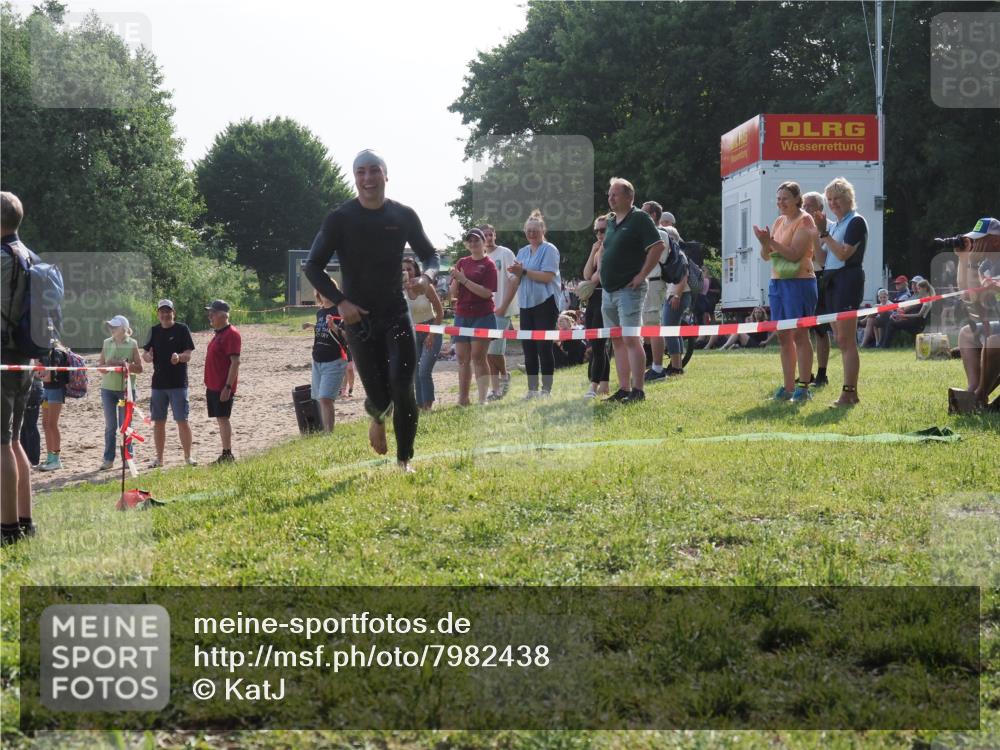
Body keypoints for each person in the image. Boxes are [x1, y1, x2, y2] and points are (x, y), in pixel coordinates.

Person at [304, 149, 439, 472]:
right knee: (379, 394)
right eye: (361, 172)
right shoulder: (340, 218)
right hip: (358, 318)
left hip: (395, 312)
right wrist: (340, 301)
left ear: (385, 176)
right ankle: (377, 415)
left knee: (402, 383)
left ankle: (404, 459)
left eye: (374, 171)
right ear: (355, 178)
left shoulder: (403, 215)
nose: (368, 179)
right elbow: (313, 266)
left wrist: (425, 277)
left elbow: (431, 255)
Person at [598, 178, 665, 403]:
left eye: (615, 194)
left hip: (629, 290)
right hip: (608, 291)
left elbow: (657, 247)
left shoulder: (639, 219)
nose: (610, 198)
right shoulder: (610, 221)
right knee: (617, 341)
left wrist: (641, 275)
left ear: (629, 196)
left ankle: (638, 390)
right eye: (609, 195)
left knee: (631, 339)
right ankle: (624, 389)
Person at [753, 180, 818, 402]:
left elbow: (793, 255)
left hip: (800, 283)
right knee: (783, 336)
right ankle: (788, 387)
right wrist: (765, 243)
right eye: (779, 198)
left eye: (786, 199)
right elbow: (766, 255)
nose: (781, 203)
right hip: (778, 283)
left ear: (797, 200)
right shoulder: (780, 220)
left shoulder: (805, 220)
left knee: (800, 334)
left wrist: (771, 241)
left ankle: (803, 387)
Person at [810, 177, 868, 407]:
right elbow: (823, 259)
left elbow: (844, 254)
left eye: (837, 199)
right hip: (831, 281)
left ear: (848, 199)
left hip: (848, 280)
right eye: (830, 200)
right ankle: (850, 393)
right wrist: (818, 233)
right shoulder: (833, 225)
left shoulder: (856, 222)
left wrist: (825, 235)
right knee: (840, 339)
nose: (833, 203)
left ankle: (849, 392)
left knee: (846, 340)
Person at [1, 191, 37, 544]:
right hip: (23, 357)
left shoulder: (3, 257)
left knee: (1, 444)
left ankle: (7, 529)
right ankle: (25, 522)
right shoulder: (29, 255)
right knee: (13, 440)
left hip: (2, 357)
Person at [496, 210, 561, 399]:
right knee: (529, 348)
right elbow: (515, 280)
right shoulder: (522, 252)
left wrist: (524, 271)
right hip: (525, 304)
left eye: (535, 230)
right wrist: (503, 305)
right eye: (528, 230)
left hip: (545, 303)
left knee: (544, 347)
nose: (531, 233)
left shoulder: (550, 249)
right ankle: (532, 390)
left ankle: (546, 390)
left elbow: (548, 277)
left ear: (543, 230)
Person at [951, 217, 1000, 412]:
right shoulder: (986, 266)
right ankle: (973, 389)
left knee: (994, 342)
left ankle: (979, 395)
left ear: (995, 240)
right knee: (967, 334)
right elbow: (970, 297)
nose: (975, 244)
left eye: (979, 240)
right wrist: (965, 261)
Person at [142, 299, 196, 467]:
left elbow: (188, 354)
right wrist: (147, 357)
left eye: (168, 311)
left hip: (179, 384)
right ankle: (159, 459)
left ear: (174, 313)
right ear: (158, 314)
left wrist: (179, 357)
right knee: (159, 422)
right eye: (162, 311)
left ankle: (188, 457)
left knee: (182, 420)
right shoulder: (153, 330)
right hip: (158, 385)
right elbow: (145, 354)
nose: (165, 314)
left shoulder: (182, 329)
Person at [450, 228, 497, 406]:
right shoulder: (462, 262)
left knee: (478, 357)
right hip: (462, 314)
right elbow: (453, 293)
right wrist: (456, 279)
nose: (473, 243)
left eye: (476, 240)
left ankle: (482, 398)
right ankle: (463, 399)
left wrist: (464, 280)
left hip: (482, 314)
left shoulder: (489, 264)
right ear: (466, 244)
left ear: (483, 242)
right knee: (462, 358)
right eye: (469, 240)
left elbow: (486, 293)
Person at [97, 315, 143, 470]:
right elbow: (101, 368)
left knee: (126, 425)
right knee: (110, 426)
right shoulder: (106, 342)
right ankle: (108, 459)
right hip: (108, 389)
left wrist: (126, 365)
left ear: (124, 328)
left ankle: (127, 457)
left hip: (126, 390)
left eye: (114, 326)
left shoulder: (133, 343)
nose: (111, 328)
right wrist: (109, 365)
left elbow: (140, 368)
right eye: (110, 326)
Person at [301, 289, 349, 432]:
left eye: (327, 290)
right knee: (319, 399)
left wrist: (334, 327)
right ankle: (325, 432)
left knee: (325, 399)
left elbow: (349, 337)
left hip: (335, 360)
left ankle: (329, 434)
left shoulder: (341, 311)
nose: (324, 294)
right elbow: (322, 329)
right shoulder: (320, 312)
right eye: (321, 291)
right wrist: (311, 325)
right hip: (317, 360)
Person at [403, 257, 444, 412]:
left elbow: (440, 312)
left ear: (416, 270)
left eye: (409, 269)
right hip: (413, 333)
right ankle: (420, 406)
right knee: (415, 372)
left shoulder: (426, 287)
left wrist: (432, 334)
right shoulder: (400, 290)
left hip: (431, 329)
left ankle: (428, 405)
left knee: (424, 371)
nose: (406, 272)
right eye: (403, 269)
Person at [639, 201, 673, 383]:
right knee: (648, 326)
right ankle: (651, 365)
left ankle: (658, 369)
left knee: (653, 326)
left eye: (643, 213)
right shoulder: (654, 234)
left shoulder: (659, 234)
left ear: (652, 215)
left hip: (654, 283)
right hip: (649, 283)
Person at [482, 224, 517, 400]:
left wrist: (503, 306)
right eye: (485, 235)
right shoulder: (480, 257)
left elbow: (514, 280)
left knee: (494, 351)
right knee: (488, 352)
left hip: (501, 308)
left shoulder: (505, 253)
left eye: (490, 234)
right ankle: (495, 389)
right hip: (484, 311)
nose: (488, 237)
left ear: (495, 234)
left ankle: (505, 376)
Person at [203, 300, 241, 463]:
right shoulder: (219, 333)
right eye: (210, 312)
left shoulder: (231, 333)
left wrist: (228, 387)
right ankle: (225, 453)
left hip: (222, 386)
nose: (210, 316)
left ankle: (227, 454)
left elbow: (235, 362)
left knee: (223, 418)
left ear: (223, 315)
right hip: (213, 385)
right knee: (220, 418)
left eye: (213, 312)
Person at [802, 191, 831, 387]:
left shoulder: (826, 229)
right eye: (803, 205)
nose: (804, 209)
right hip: (802, 280)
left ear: (820, 209)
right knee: (803, 329)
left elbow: (819, 258)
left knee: (820, 329)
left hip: (820, 279)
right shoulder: (800, 226)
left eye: (809, 206)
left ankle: (822, 374)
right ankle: (806, 373)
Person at [582, 215, 611, 398]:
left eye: (603, 230)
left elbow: (597, 277)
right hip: (593, 299)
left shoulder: (610, 248)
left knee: (599, 344)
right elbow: (587, 274)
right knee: (594, 343)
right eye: (597, 230)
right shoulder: (597, 248)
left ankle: (594, 385)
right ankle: (604, 383)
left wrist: (587, 284)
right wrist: (593, 252)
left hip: (604, 296)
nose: (600, 234)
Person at [660, 225, 691, 377]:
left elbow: (684, 276)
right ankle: (676, 365)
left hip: (678, 295)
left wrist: (677, 295)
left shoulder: (679, 255)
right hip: (674, 295)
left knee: (669, 331)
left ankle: (676, 367)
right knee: (673, 330)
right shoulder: (674, 255)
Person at [38, 346, 69, 471]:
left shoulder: (56, 353)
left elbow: (49, 376)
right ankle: (50, 457)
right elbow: (40, 373)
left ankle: (56, 459)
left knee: (52, 424)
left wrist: (40, 374)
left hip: (55, 390)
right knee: (45, 424)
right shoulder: (43, 351)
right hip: (46, 389)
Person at [882, 278, 936, 348]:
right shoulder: (925, 299)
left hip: (917, 324)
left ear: (924, 289)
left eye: (919, 288)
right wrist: (901, 316)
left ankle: (885, 346)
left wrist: (903, 315)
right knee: (892, 321)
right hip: (914, 322)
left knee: (891, 323)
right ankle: (887, 345)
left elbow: (918, 315)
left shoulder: (926, 301)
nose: (918, 290)